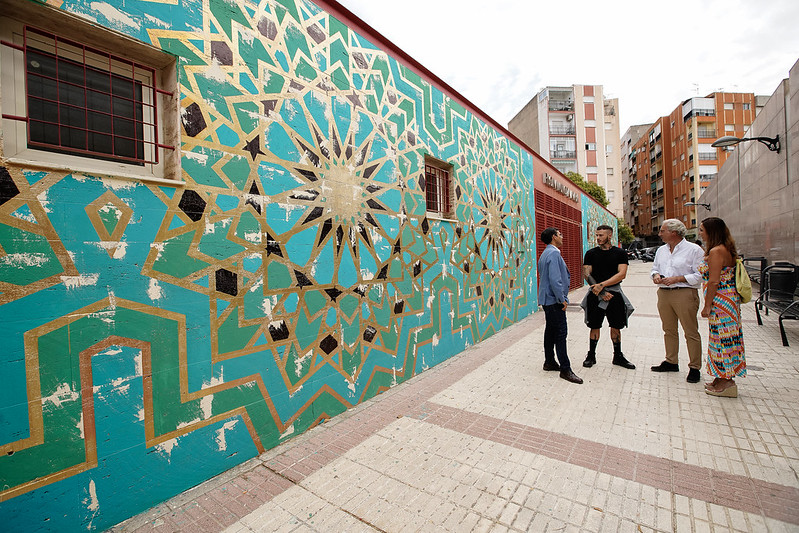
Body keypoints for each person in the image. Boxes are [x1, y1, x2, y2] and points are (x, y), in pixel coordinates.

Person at [650, 219, 705, 383]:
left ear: (673, 232)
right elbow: (654, 268)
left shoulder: (694, 250)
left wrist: (678, 278)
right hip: (664, 293)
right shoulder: (661, 250)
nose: (659, 234)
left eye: (662, 231)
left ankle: (695, 367)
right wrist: (656, 276)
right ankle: (671, 361)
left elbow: (701, 275)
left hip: (685, 292)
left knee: (690, 331)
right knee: (669, 329)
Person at [698, 217, 745, 397]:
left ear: (711, 232)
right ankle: (721, 377)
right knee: (722, 339)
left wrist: (707, 305)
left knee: (723, 341)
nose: (700, 233)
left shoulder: (717, 251)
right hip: (728, 301)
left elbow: (714, 281)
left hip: (721, 302)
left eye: (702, 230)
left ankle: (727, 382)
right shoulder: (725, 249)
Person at [581, 225, 636, 369]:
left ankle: (618, 356)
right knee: (594, 325)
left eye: (601, 235)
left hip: (615, 294)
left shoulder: (620, 253)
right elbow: (587, 274)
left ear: (610, 236)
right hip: (595, 294)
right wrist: (600, 291)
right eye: (597, 235)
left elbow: (621, 274)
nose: (598, 238)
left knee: (616, 326)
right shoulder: (590, 253)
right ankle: (591, 356)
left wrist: (603, 285)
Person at [537, 227, 583, 384]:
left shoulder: (545, 253)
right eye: (560, 234)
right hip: (554, 300)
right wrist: (562, 299)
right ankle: (565, 369)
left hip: (546, 300)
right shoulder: (554, 253)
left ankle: (549, 361)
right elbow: (555, 279)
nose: (562, 236)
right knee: (560, 333)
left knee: (550, 331)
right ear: (553, 237)